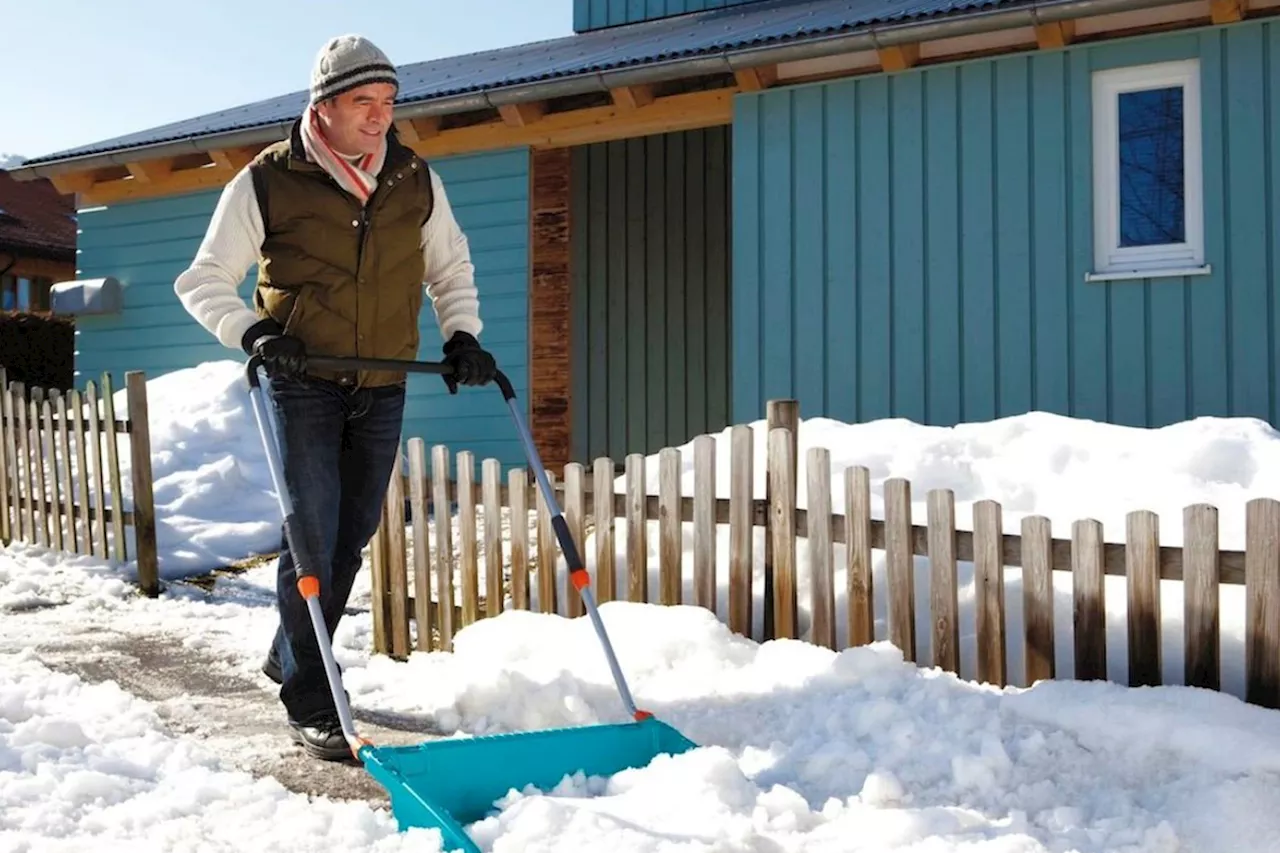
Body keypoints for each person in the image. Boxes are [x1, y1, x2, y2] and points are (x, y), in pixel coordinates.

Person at [173, 34, 498, 760]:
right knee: (312, 533)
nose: (381, 118)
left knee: (351, 532)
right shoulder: (267, 180)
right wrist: (254, 330)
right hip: (301, 381)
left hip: (380, 382)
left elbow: (451, 268)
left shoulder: (415, 178)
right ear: (324, 106)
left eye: (389, 103)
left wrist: (463, 337)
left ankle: (290, 649)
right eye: (364, 103)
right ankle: (313, 692)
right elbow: (200, 279)